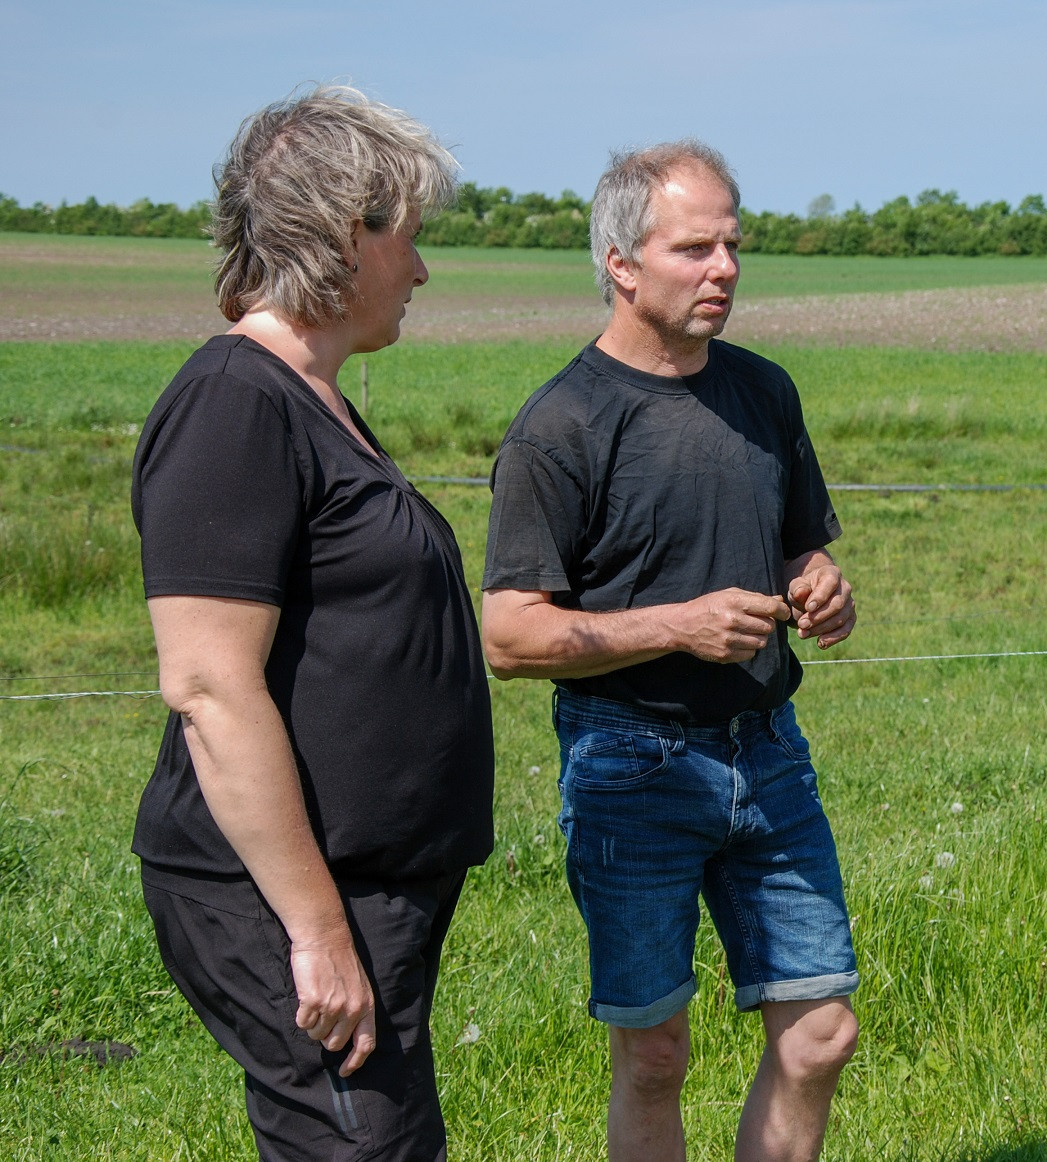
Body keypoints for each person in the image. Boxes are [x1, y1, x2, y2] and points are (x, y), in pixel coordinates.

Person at [131, 86, 494, 1161]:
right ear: (348, 234)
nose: (421, 271)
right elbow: (206, 684)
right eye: (411, 238)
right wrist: (317, 926)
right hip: (288, 897)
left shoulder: (315, 396)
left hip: (361, 887)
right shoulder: (236, 400)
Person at [480, 141, 859, 1161]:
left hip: (768, 752)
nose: (725, 268)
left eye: (734, 244)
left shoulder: (765, 393)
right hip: (629, 761)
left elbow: (800, 548)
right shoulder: (560, 426)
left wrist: (822, 586)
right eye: (696, 247)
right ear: (622, 262)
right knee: (653, 1051)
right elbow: (510, 636)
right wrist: (676, 626)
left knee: (821, 1034)